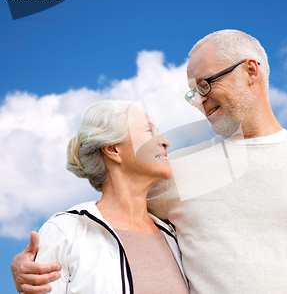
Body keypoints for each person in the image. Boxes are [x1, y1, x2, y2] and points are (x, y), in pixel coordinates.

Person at [12, 30, 287, 294]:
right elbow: (112, 214)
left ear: (250, 71)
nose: (198, 101)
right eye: (193, 92)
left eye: (205, 85)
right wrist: (35, 264)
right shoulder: (176, 173)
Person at [11, 100, 190, 294]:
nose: (165, 141)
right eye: (149, 131)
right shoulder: (66, 232)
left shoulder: (174, 236)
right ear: (113, 150)